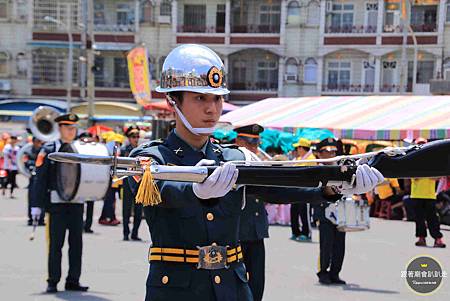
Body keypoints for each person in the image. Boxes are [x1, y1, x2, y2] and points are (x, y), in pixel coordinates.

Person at [126, 44, 383, 301]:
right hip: (177, 291)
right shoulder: (151, 157)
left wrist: (334, 187)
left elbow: (278, 187)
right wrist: (194, 189)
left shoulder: (235, 157)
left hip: (233, 288)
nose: (212, 109)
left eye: (217, 98)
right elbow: (157, 189)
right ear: (173, 100)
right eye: (200, 98)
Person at [30, 113, 89, 293]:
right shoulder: (49, 150)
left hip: (77, 203)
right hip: (56, 204)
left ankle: (73, 280)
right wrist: (36, 205)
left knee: (76, 244)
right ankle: (53, 280)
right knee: (56, 244)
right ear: (60, 128)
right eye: (68, 128)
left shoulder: (81, 149)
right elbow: (40, 179)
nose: (72, 131)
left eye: (73, 128)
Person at [234, 123, 268, 301]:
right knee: (235, 285)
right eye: (250, 143)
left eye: (256, 143)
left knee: (257, 284)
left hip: (257, 231)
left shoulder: (258, 161)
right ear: (238, 141)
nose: (254, 147)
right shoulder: (229, 161)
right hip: (237, 232)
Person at [314, 137, 347, 285]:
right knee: (326, 244)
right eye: (327, 151)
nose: (331, 154)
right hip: (324, 210)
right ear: (319, 154)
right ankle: (323, 272)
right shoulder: (315, 168)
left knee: (340, 244)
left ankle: (335, 272)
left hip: (340, 210)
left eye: (334, 151)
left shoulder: (340, 168)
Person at [411, 137, 445, 248]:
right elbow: (414, 176)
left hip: (430, 195)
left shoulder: (432, 160)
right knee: (419, 219)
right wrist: (427, 174)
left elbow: (438, 177)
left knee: (433, 219)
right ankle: (421, 238)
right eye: (419, 144)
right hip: (416, 194)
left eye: (423, 144)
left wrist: (424, 174)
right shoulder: (413, 159)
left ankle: (438, 239)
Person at [290, 138, 316, 242]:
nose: (297, 149)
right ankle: (295, 232)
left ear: (302, 148)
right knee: (294, 212)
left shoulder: (311, 159)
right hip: (295, 190)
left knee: (304, 212)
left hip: (305, 191)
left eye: (298, 147)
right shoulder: (299, 158)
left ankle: (306, 233)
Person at [121, 126, 144, 241]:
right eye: (133, 137)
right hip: (127, 182)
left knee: (139, 210)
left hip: (139, 182)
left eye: (137, 136)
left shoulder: (141, 150)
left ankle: (135, 233)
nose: (135, 139)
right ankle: (126, 233)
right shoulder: (124, 150)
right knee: (126, 209)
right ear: (129, 138)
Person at [24, 137, 44, 225]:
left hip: (42, 178)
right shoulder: (28, 151)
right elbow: (26, 162)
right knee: (32, 199)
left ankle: (41, 218)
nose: (38, 143)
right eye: (37, 141)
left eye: (40, 141)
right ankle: (31, 218)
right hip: (33, 178)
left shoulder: (44, 151)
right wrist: (32, 165)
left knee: (41, 198)